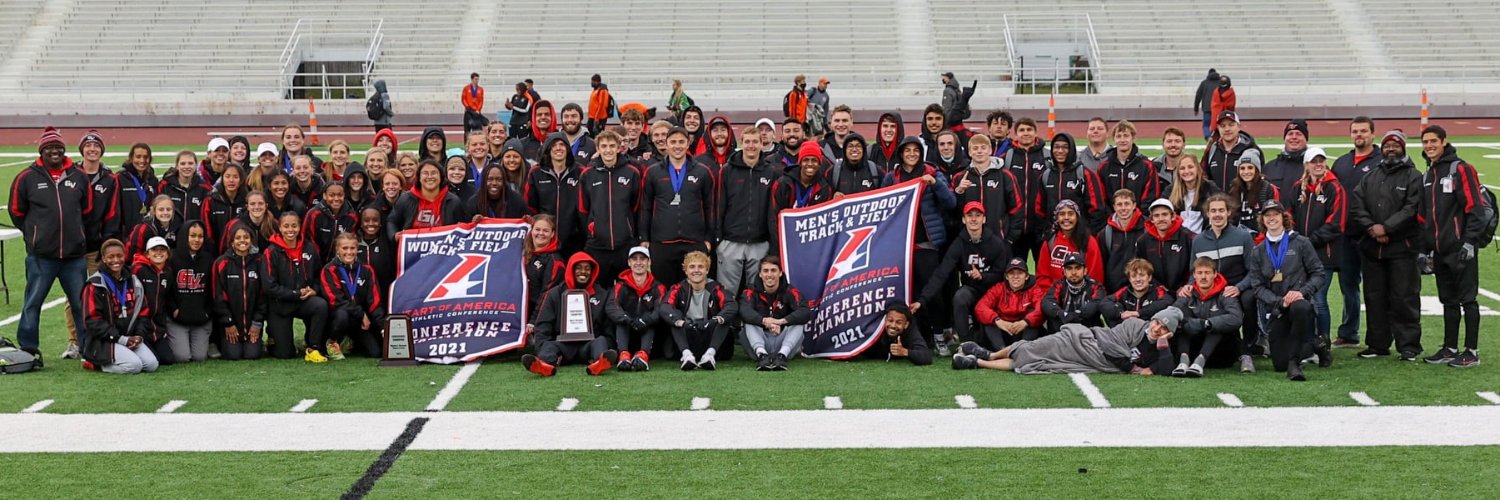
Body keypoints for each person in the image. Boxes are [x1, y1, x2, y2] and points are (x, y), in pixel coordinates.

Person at [9, 126, 93, 366]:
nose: (54, 151)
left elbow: (87, 210)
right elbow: (16, 211)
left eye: (58, 147)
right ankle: (29, 349)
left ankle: (88, 349)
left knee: (80, 304)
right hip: (41, 257)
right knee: (33, 303)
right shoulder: (26, 177)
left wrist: (76, 234)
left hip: (73, 257)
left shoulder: (78, 176)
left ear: (64, 150)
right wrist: (35, 235)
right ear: (42, 151)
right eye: (49, 148)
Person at [1349, 130, 1423, 360]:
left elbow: (1412, 208)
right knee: (1374, 297)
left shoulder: (1413, 176)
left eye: (1395, 145)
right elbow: (1357, 205)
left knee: (1404, 297)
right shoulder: (1371, 175)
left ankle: (1409, 345)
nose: (1391, 149)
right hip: (1373, 247)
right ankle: (1377, 344)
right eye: (1387, 146)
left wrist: (1387, 228)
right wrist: (1372, 227)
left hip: (1402, 247)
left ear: (1403, 148)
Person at [882, 136, 958, 351]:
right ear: (901, 153)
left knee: (932, 294)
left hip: (926, 244)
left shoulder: (933, 173)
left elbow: (951, 202)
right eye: (907, 150)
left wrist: (935, 184)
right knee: (909, 294)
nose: (912, 154)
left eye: (916, 150)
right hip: (901, 246)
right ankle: (920, 337)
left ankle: (939, 334)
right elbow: (881, 204)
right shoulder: (892, 177)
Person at [1418, 125, 1485, 367]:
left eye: (1433, 141)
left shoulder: (1460, 169)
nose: (1429, 146)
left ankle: (1472, 351)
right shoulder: (1428, 175)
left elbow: (1476, 209)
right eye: (1426, 142)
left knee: (1468, 299)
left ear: (1444, 141)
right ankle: (1450, 347)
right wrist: (1425, 249)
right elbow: (1425, 217)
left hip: (1460, 248)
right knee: (1448, 300)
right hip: (1440, 250)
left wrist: (1469, 242)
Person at [953, 307, 1182, 376]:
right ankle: (990, 355)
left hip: (1089, 362)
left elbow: (1164, 369)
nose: (1157, 328)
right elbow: (1111, 346)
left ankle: (978, 362)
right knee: (1033, 348)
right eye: (1157, 322)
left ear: (1169, 333)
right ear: (1152, 319)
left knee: (1036, 362)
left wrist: (1162, 344)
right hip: (1082, 341)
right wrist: (1132, 367)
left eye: (1164, 328)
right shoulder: (1135, 324)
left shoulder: (1160, 348)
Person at [911, 202, 1011, 351]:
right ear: (964, 220)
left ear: (984, 219)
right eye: (969, 216)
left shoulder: (996, 243)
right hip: (972, 290)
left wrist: (983, 276)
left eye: (978, 215)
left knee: (991, 342)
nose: (973, 219)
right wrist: (922, 300)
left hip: (993, 290)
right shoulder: (959, 243)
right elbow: (942, 273)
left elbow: (1001, 274)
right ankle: (965, 344)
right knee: (960, 297)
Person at [1246, 201, 1328, 380]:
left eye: (1275, 214)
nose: (1271, 218)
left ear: (1283, 217)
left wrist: (1301, 292)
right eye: (1267, 215)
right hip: (1278, 308)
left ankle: (1294, 364)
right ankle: (1318, 344)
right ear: (1262, 220)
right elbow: (1257, 286)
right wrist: (1279, 301)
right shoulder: (1258, 250)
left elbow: (1318, 273)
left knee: (1300, 307)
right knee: (1279, 364)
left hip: (1300, 303)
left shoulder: (1301, 243)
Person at [639, 127, 716, 286]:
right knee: (663, 290)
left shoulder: (702, 171)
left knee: (692, 289)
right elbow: (645, 207)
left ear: (688, 144)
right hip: (662, 242)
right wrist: (644, 238)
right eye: (673, 142)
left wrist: (708, 238)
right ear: (666, 144)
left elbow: (710, 207)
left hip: (694, 241)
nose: (677, 146)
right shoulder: (653, 172)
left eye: (681, 142)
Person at [524, 252, 619, 377]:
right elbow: (543, 324)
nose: (583, 272)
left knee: (600, 341)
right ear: (571, 269)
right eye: (578, 268)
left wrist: (609, 344)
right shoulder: (554, 293)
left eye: (587, 268)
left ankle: (599, 363)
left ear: (593, 272)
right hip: (562, 345)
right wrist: (540, 348)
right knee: (548, 346)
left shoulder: (602, 294)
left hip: (589, 345)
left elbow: (608, 326)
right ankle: (544, 365)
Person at [1191, 193, 1258, 370]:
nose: (1217, 214)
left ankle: (1247, 352)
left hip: (1237, 287)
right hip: (1211, 291)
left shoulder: (1243, 236)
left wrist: (1239, 287)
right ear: (1208, 214)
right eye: (1213, 211)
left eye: (1221, 210)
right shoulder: (1198, 241)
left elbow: (1254, 271)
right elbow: (1194, 272)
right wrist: (1188, 287)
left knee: (1249, 299)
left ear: (1229, 212)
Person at [1290, 147, 1347, 349]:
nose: (1318, 164)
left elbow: (1336, 223)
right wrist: (1296, 241)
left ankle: (1323, 342)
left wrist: (1307, 242)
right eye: (1314, 161)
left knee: (1319, 298)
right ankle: (1307, 341)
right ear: (1306, 165)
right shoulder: (1298, 188)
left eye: (1321, 160)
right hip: (1300, 255)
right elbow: (1289, 216)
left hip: (1325, 254)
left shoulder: (1334, 188)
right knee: (1305, 298)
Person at [1330, 116, 1379, 348]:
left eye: (1363, 131)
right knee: (1348, 285)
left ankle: (1378, 337)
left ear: (1372, 134)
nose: (1359, 135)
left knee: (1375, 287)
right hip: (1345, 234)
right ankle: (1349, 332)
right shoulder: (1341, 163)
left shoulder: (1381, 161)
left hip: (1373, 235)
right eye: (1355, 131)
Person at [715, 126, 777, 296]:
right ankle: (727, 315)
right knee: (726, 292)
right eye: (747, 141)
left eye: (755, 141)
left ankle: (752, 315)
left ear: (761, 144)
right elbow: (719, 204)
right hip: (730, 241)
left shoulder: (771, 171)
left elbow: (773, 209)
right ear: (741, 143)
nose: (751, 145)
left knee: (756, 292)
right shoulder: (727, 170)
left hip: (759, 242)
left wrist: (771, 241)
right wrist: (719, 239)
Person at [81, 239, 158, 374]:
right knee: (134, 366)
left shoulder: (133, 280)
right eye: (111, 257)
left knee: (151, 365)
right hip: (104, 341)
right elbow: (92, 321)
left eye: (119, 256)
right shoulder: (95, 284)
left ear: (125, 256)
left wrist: (139, 335)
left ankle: (124, 353)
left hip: (129, 337)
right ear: (104, 259)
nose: (116, 260)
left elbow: (144, 312)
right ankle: (95, 364)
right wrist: (120, 339)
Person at [262, 212, 330, 362]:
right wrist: (295, 293)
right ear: (280, 228)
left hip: (303, 300)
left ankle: (313, 347)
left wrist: (315, 290)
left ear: (299, 227)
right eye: (286, 226)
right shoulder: (271, 252)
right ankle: (273, 340)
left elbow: (319, 275)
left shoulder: (309, 248)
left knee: (320, 305)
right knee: (284, 354)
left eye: (294, 226)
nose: (290, 230)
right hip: (280, 305)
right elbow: (269, 287)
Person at [579, 130, 641, 285]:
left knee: (626, 289)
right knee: (599, 290)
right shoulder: (587, 175)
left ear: (619, 148)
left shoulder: (632, 173)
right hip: (597, 245)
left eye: (612, 146)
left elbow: (636, 206)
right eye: (604, 146)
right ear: (597, 149)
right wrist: (592, 231)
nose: (608, 150)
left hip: (624, 244)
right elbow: (583, 209)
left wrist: (630, 231)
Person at [660, 251, 737, 370]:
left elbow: (731, 305)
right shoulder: (678, 288)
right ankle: (687, 356)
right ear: (685, 271)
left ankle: (709, 356)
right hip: (687, 333)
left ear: (707, 270)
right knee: (675, 317)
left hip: (710, 334)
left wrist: (713, 321)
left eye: (700, 266)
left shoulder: (716, 288)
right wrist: (682, 322)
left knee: (724, 319)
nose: (696, 270)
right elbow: (665, 307)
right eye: (692, 267)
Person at [1170, 257, 1244, 377]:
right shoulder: (1187, 292)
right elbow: (1172, 313)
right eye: (1199, 273)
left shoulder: (1226, 292)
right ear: (1194, 275)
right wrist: (1186, 323)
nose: (1203, 277)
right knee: (1182, 322)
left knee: (1218, 324)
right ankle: (1183, 362)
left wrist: (1206, 323)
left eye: (1207, 272)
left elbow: (1236, 318)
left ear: (1215, 274)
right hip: (1193, 349)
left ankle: (1200, 362)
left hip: (1221, 353)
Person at [739, 256, 812, 371]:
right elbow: (744, 311)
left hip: (782, 343)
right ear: (760, 274)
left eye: (773, 270)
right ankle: (762, 356)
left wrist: (780, 322)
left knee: (798, 322)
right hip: (758, 342)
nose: (769, 275)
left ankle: (781, 356)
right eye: (765, 271)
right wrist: (765, 322)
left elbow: (805, 312)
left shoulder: (790, 291)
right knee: (748, 321)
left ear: (780, 273)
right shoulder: (750, 291)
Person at [319, 233, 384, 359]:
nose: (349, 252)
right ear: (337, 249)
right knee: (342, 314)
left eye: (352, 248)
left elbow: (374, 301)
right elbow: (335, 301)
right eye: (345, 248)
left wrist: (383, 327)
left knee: (375, 353)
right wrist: (361, 314)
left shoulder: (367, 270)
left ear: (357, 249)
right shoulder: (329, 270)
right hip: (337, 319)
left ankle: (349, 341)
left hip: (358, 322)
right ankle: (331, 342)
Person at [952, 134, 1023, 242]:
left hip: (998, 239)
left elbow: (1017, 208)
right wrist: (959, 192)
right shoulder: (959, 177)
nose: (979, 151)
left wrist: (1010, 238)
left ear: (990, 150)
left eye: (983, 148)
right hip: (969, 240)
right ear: (970, 152)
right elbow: (954, 210)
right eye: (975, 148)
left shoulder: (1005, 176)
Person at [605, 246, 666, 371]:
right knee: (621, 321)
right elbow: (611, 306)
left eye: (642, 259)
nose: (638, 262)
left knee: (650, 321)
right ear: (629, 262)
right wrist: (627, 319)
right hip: (626, 333)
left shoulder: (658, 287)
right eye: (634, 259)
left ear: (649, 262)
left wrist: (646, 320)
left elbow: (661, 309)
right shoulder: (620, 286)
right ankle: (623, 355)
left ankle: (643, 356)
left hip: (649, 336)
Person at [213, 224, 266, 361]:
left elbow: (264, 295)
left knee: (252, 355)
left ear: (251, 240)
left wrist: (257, 323)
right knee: (233, 355)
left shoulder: (260, 261)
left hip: (252, 324)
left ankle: (258, 341)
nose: (242, 240)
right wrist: (228, 323)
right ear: (231, 241)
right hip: (230, 324)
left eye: (246, 237)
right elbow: (218, 296)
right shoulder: (221, 263)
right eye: (238, 238)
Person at [165, 221, 215, 363]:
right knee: (182, 357)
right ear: (183, 236)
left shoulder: (208, 259)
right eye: (192, 235)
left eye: (200, 236)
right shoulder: (172, 258)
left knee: (199, 357)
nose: (197, 240)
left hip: (201, 319)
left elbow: (213, 290)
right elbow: (166, 289)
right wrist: (174, 309)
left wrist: (207, 312)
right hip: (178, 319)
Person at [1039, 132, 1107, 233]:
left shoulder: (1085, 174)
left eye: (1065, 147)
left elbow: (1097, 209)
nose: (1060, 151)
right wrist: (1046, 233)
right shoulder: (1046, 176)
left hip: (1079, 235)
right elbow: (1040, 210)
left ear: (1071, 149)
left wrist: (1087, 234)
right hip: (1054, 236)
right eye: (1056, 147)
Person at [769, 142, 835, 244]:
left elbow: (826, 222)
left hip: (811, 242)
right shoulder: (784, 184)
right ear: (800, 162)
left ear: (819, 164)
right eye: (806, 160)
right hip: (786, 240)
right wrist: (779, 247)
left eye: (814, 160)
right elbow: (773, 218)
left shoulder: (824, 187)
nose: (810, 164)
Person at [972, 258, 1047, 349]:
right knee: (989, 319)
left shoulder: (1035, 289)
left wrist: (1025, 322)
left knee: (1034, 318)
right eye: (1011, 273)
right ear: (1006, 276)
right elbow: (980, 307)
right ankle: (1001, 350)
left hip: (1023, 331)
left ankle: (1023, 349)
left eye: (1020, 273)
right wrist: (998, 321)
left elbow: (1041, 308)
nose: (1015, 277)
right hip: (1003, 330)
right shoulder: (998, 288)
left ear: (1027, 276)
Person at [1004, 117, 1049, 263]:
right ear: (1016, 134)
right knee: (1015, 270)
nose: (1025, 133)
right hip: (1015, 229)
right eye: (1021, 130)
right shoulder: (1008, 157)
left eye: (1029, 129)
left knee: (1043, 269)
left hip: (1040, 228)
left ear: (1035, 132)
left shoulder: (1046, 157)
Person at [1036, 200, 1104, 289]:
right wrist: (1053, 294)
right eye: (1062, 214)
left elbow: (1095, 276)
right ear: (1057, 218)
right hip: (1054, 294)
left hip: (1083, 293)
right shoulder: (1050, 241)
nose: (1066, 217)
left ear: (1077, 217)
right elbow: (1042, 276)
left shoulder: (1088, 241)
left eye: (1070, 214)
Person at [387, 159, 463, 236]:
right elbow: (392, 221)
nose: (429, 177)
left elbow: (462, 227)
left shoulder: (453, 201)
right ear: (419, 178)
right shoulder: (406, 199)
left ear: (441, 177)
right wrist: (395, 236)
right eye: (425, 173)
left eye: (434, 173)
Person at [130, 237, 175, 365]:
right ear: (147, 254)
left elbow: (168, 297)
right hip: (140, 324)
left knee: (168, 359)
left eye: (162, 250)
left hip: (158, 327)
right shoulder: (138, 269)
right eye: (154, 250)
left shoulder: (168, 272)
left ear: (167, 254)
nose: (159, 253)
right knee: (153, 359)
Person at [1135, 198, 1195, 292]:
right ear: (1152, 219)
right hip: (1155, 292)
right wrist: (1155, 286)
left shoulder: (1188, 237)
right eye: (1156, 216)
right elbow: (1141, 268)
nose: (1161, 219)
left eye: (1164, 214)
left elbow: (1196, 266)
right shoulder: (1143, 241)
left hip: (1184, 292)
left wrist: (1187, 285)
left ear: (1173, 216)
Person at [1041, 253, 1107, 330]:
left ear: (1085, 271)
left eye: (1078, 268)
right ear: (1064, 272)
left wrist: (1077, 315)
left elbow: (1097, 302)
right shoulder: (1058, 285)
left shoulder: (1095, 286)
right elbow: (1047, 302)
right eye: (1069, 268)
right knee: (1053, 317)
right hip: (1062, 328)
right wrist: (1061, 314)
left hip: (1088, 329)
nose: (1073, 272)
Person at [1099, 120, 1160, 205]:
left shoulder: (1146, 166)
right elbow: (1101, 198)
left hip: (1139, 213)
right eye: (1118, 136)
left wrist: (1137, 213)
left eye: (1126, 136)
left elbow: (1151, 197)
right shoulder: (1103, 167)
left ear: (1133, 138)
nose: (1122, 140)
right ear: (1113, 139)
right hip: (1112, 213)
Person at [1098, 189, 1147, 294]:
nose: (1123, 208)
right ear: (1114, 207)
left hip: (1142, 291)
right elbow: (1102, 265)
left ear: (1134, 205)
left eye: (1127, 204)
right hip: (1114, 292)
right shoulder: (1105, 234)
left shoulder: (1147, 229)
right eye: (1119, 204)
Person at [1100, 258, 1172, 328]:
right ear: (1129, 279)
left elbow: (1167, 301)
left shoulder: (1158, 291)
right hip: (1124, 332)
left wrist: (1139, 313)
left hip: (1149, 332)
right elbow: (1105, 302)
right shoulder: (1124, 291)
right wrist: (1121, 313)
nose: (1138, 279)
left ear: (1149, 277)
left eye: (1142, 275)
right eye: (1133, 276)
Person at [523, 214, 566, 330]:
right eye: (537, 229)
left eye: (545, 231)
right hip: (517, 311)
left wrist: (533, 322)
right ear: (531, 231)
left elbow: (547, 294)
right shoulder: (522, 252)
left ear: (552, 234)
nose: (541, 233)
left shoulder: (555, 261)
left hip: (539, 317)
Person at [1200, 111, 1260, 187]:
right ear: (1218, 128)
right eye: (1223, 126)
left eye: (1231, 125)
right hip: (1217, 195)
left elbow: (1260, 180)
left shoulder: (1251, 150)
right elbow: (1204, 177)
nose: (1227, 129)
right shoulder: (1212, 149)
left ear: (1239, 126)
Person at [864, 302, 933, 365]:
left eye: (899, 322)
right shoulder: (873, 326)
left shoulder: (911, 330)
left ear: (906, 324)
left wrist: (905, 352)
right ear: (885, 319)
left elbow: (927, 357)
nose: (893, 326)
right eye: (890, 320)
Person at [116, 143, 159, 239]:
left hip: (147, 232)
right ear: (131, 158)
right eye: (138, 157)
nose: (142, 160)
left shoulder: (153, 180)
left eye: (145, 157)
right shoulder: (120, 178)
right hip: (126, 235)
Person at [1167, 155, 1220, 234]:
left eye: (1190, 167)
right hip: (1178, 238)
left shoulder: (1210, 188)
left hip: (1203, 237)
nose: (1186, 171)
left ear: (1197, 169)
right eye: (1182, 168)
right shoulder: (1170, 190)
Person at [1227, 150, 1278, 230]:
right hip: (1238, 235)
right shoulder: (1234, 188)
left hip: (1260, 235)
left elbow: (1274, 216)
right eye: (1242, 168)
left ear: (1257, 170)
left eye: (1250, 168)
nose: (1246, 172)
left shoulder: (1267, 188)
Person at [201, 164, 248, 248]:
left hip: (242, 249)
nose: (231, 180)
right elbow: (207, 230)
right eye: (227, 176)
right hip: (215, 250)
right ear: (222, 179)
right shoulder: (211, 201)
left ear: (241, 180)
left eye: (235, 177)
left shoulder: (247, 201)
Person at [160, 150, 211, 223]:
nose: (187, 167)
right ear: (177, 166)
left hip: (195, 229)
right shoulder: (164, 186)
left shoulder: (205, 188)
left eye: (190, 163)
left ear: (196, 166)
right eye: (183, 164)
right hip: (172, 229)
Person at [1264, 120, 1311, 198]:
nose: (1294, 137)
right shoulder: (1269, 167)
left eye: (1299, 134)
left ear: (1306, 138)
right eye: (1290, 134)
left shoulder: (1315, 167)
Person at [1194, 69, 1221, 140]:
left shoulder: (1204, 83)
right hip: (1218, 108)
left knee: (1206, 125)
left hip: (1207, 108)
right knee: (1219, 124)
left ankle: (1208, 136)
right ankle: (1218, 137)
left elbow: (1198, 96)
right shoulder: (1221, 83)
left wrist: (1196, 109)